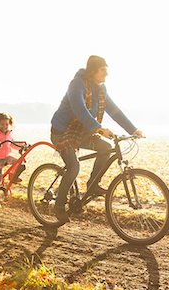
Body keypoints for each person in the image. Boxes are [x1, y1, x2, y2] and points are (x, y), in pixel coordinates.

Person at [50, 55, 143, 222]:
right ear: (93, 71)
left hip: (83, 132)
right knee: (73, 167)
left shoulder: (101, 89)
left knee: (106, 148)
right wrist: (98, 128)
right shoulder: (77, 84)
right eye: (103, 71)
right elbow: (79, 109)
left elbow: (114, 111)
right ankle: (58, 205)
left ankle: (92, 185)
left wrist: (133, 129)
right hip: (62, 132)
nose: (106, 75)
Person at [0, 112, 25, 208]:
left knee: (20, 163)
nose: (5, 126)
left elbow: (12, 144)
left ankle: (13, 177)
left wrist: (22, 145)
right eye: (2, 124)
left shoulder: (8, 134)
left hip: (6, 157)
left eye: (7, 124)